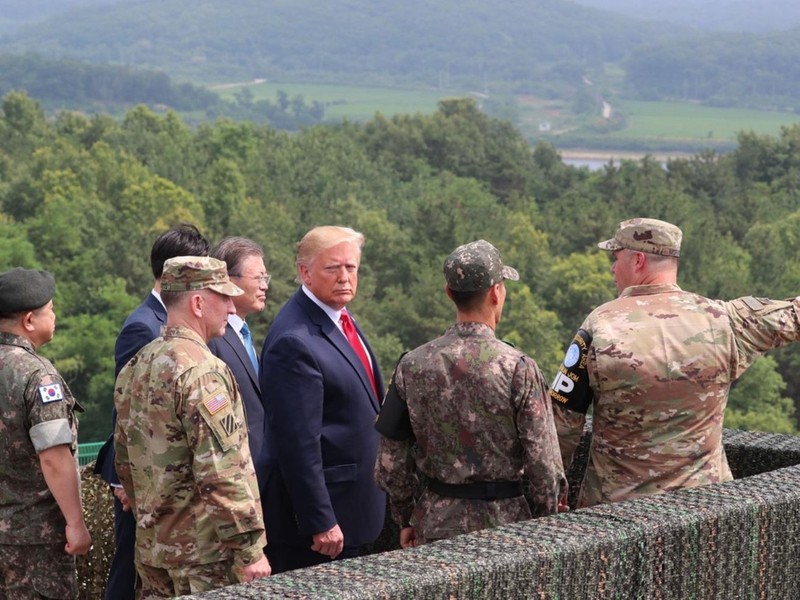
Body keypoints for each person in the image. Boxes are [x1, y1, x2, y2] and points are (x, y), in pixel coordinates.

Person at [550, 217, 800, 508]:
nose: (612, 268)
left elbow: (561, 426)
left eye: (616, 258)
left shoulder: (600, 326)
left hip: (616, 513)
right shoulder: (725, 320)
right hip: (708, 509)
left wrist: (552, 491)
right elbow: (794, 315)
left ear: (638, 260)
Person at [373, 240, 566, 548]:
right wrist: (545, 526)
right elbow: (545, 468)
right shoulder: (518, 368)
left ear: (449, 293)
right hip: (507, 529)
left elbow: (390, 463)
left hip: (435, 525)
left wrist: (406, 517)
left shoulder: (411, 365)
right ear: (496, 292)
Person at [114, 256, 270, 599]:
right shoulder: (203, 372)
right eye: (224, 298)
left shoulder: (137, 365)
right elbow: (221, 471)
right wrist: (249, 549)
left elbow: (125, 461)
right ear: (198, 303)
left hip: (154, 553)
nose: (232, 308)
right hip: (205, 561)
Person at [260, 225, 385, 573]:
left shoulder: (341, 316)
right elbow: (296, 441)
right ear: (305, 272)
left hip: (355, 510)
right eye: (333, 268)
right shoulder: (294, 339)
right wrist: (319, 518)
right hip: (324, 530)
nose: (344, 277)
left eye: (351, 267)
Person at [94, 223, 210, 600]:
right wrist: (121, 479)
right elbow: (127, 407)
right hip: (144, 476)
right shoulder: (144, 326)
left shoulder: (174, 320)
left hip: (162, 473)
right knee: (130, 568)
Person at [0, 267, 92, 599]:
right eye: (50, 309)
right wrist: (76, 523)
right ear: (29, 320)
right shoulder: (37, 376)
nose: (55, 316)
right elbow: (54, 458)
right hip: (33, 542)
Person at [208, 237, 271, 511]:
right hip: (235, 484)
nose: (265, 285)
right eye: (258, 278)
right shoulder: (214, 338)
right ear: (228, 280)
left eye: (265, 277)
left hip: (261, 477)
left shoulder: (244, 333)